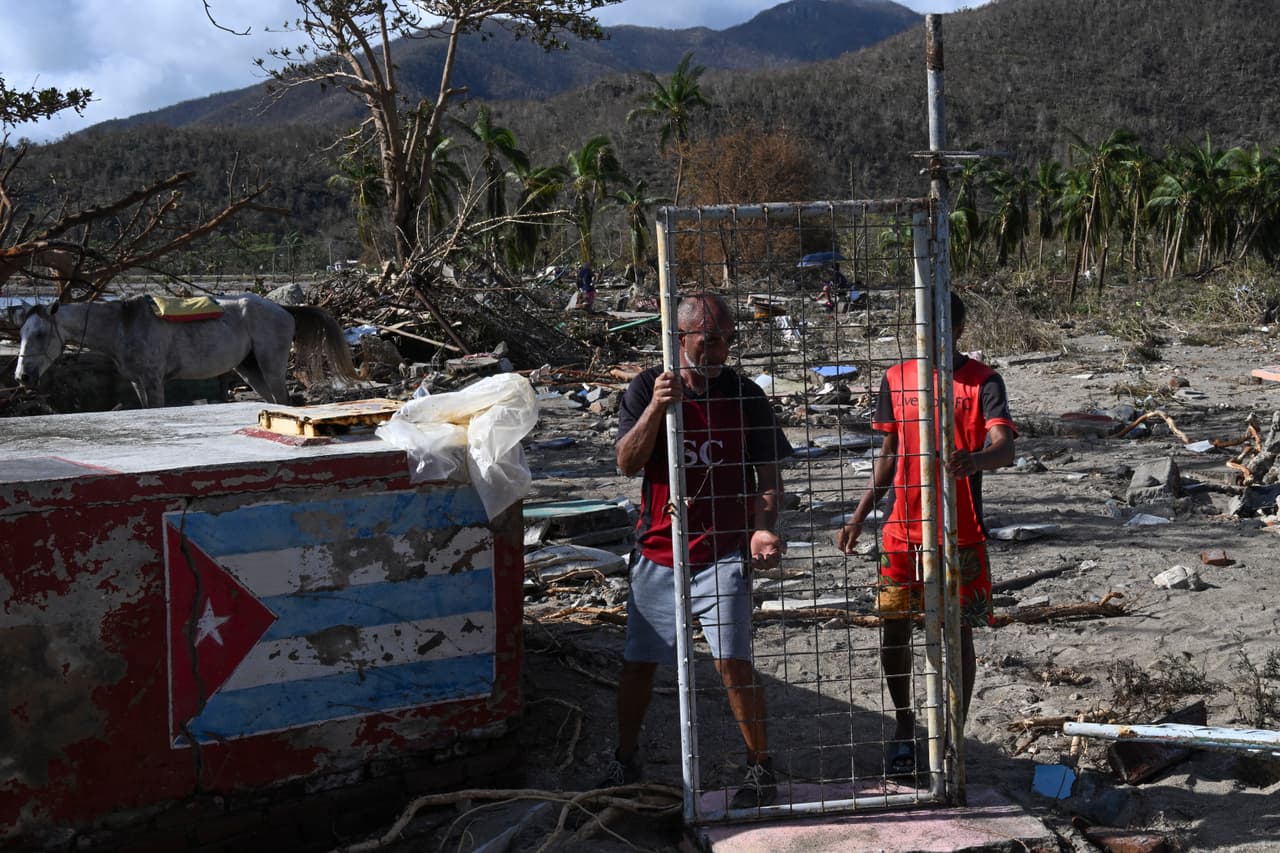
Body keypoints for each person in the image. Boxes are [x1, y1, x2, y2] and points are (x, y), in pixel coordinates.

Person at [603, 291, 792, 809]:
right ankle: (624, 755)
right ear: (680, 339)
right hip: (660, 551)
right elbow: (625, 461)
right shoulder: (648, 386)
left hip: (724, 552)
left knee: (733, 662)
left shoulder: (745, 395)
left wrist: (762, 527)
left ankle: (760, 768)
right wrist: (658, 410)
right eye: (710, 341)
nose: (720, 352)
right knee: (640, 663)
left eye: (728, 341)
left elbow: (769, 474)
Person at [836, 292, 1016, 776]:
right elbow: (890, 452)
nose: (930, 340)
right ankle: (902, 724)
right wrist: (859, 515)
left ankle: (952, 732)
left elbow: (1005, 448)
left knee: (958, 633)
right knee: (894, 628)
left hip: (960, 533)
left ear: (958, 331)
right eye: (922, 330)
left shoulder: (982, 381)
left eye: (941, 330)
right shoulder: (896, 379)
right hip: (901, 531)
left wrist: (974, 460)